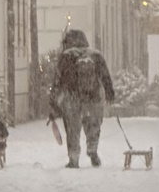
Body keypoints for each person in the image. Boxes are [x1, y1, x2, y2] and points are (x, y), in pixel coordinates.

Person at [48, 27, 115, 168]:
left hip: (72, 98)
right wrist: (109, 92)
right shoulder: (95, 55)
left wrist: (54, 104)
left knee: (72, 128)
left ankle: (74, 159)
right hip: (93, 97)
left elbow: (57, 82)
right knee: (93, 125)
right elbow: (105, 76)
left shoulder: (66, 56)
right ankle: (92, 150)